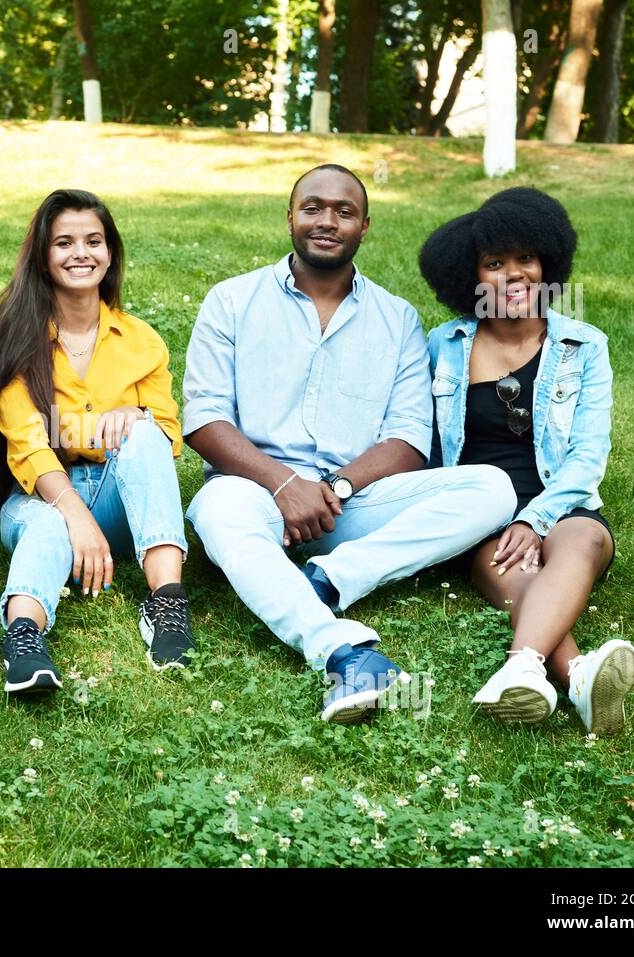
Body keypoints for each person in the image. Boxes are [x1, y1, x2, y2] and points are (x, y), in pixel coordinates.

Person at [183, 164, 517, 725]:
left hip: (350, 501)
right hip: (253, 490)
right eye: (313, 207)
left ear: (365, 227)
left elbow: (410, 439)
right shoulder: (232, 301)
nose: (327, 221)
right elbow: (205, 420)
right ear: (290, 217)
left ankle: (328, 581)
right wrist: (285, 485)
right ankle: (345, 653)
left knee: (493, 488)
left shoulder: (397, 318)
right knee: (216, 511)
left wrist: (333, 488)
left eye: (344, 212)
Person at [419, 187, 634, 734]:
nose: (514, 274)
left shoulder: (584, 346)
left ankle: (522, 668)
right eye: (495, 263)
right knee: (521, 574)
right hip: (478, 514)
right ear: (473, 278)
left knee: (582, 541)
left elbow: (588, 457)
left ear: (548, 266)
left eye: (526, 259)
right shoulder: (442, 346)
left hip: (561, 503)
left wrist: (537, 518)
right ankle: (579, 676)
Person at [0, 189, 193, 696]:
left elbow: (167, 438)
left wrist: (138, 415)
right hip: (39, 501)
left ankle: (167, 603)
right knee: (51, 522)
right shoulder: (17, 341)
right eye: (64, 242)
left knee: (144, 433)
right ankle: (24, 639)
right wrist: (75, 514)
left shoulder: (142, 341)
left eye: (94, 241)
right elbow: (29, 446)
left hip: (121, 504)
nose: (81, 253)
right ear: (43, 257)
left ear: (110, 252)